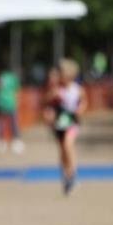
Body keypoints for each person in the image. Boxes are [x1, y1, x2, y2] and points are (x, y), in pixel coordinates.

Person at [44, 59, 86, 195]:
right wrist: (49, 109)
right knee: (62, 150)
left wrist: (81, 109)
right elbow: (47, 103)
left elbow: (84, 102)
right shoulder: (57, 89)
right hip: (58, 123)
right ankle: (65, 174)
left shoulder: (77, 89)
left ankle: (73, 174)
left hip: (72, 122)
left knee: (68, 145)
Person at [0, 62, 23, 154]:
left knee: (2, 123)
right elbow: (17, 89)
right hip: (11, 103)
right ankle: (15, 141)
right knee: (13, 123)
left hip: (1, 103)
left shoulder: (0, 77)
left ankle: (2, 141)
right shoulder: (12, 77)